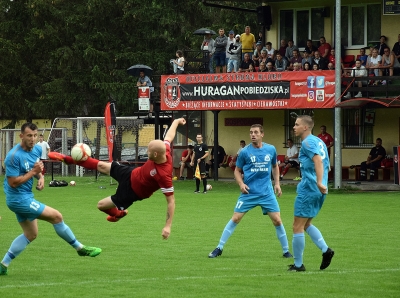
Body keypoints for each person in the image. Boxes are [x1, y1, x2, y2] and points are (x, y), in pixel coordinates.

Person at [49, 118, 187, 238]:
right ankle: (68, 159)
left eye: (148, 151)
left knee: (101, 205)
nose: (146, 152)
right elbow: (169, 136)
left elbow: (171, 202)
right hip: (131, 173)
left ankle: (119, 214)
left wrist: (167, 226)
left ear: (156, 154)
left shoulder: (164, 175)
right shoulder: (165, 150)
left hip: (131, 192)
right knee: (102, 166)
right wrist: (175, 122)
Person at [0, 123, 101, 276]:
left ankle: (3, 264)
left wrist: (40, 177)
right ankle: (80, 248)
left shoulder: (37, 149)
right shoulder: (13, 156)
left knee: (31, 234)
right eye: (29, 136)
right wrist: (34, 172)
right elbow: (13, 183)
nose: (33, 139)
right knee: (57, 216)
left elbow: (35, 168)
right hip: (18, 199)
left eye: (35, 135)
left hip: (25, 197)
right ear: (21, 136)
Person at [208, 124, 292, 259]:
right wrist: (241, 184)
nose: (253, 134)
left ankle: (286, 251)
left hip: (266, 193)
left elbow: (275, 166)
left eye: (256, 132)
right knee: (235, 218)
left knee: (277, 220)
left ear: (262, 134)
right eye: (251, 132)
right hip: (249, 193)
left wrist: (277, 184)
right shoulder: (245, 152)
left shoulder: (270, 149)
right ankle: (219, 247)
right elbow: (237, 170)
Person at [288, 115, 334, 272]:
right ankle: (325, 250)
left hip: (310, 189)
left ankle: (298, 265)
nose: (294, 127)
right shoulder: (319, 142)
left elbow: (318, 161)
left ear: (305, 127)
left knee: (297, 226)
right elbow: (327, 165)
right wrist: (322, 182)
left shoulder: (307, 142)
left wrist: (318, 182)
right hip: (320, 191)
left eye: (296, 124)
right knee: (306, 224)